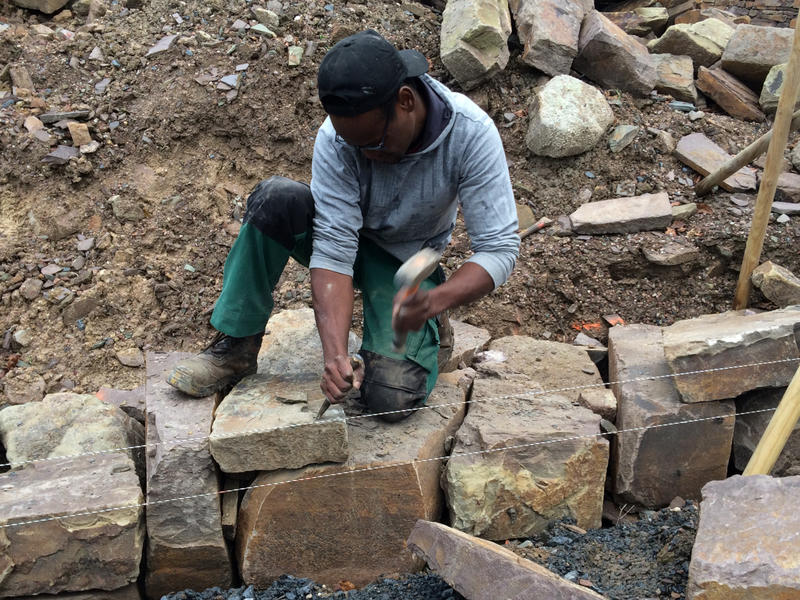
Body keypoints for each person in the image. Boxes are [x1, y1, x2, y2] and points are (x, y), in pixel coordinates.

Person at [166, 29, 519, 422]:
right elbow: (334, 248)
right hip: (347, 245)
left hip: (407, 265)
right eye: (357, 148)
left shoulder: (471, 133)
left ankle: (425, 332)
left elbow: (499, 249)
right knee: (276, 199)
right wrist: (334, 356)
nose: (367, 156)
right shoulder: (338, 138)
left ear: (405, 101)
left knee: (391, 397)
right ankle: (236, 347)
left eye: (376, 144)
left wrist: (434, 302)